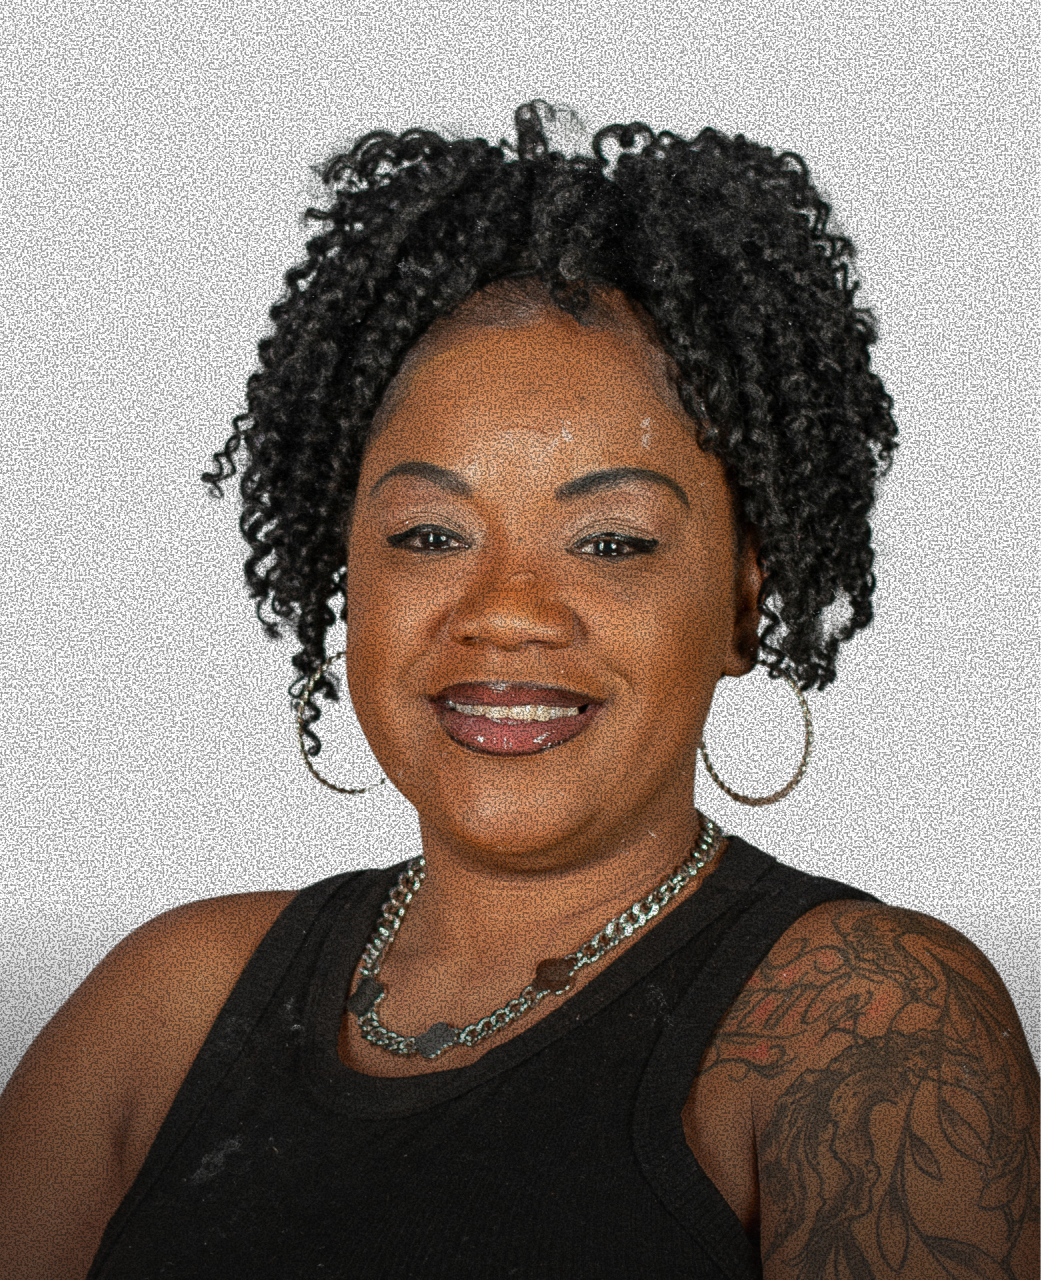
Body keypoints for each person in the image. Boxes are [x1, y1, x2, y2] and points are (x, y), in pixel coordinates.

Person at [1, 100, 1038, 1280]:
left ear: (746, 603)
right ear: (344, 570)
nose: (504, 608)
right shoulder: (170, 1003)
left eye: (611, 542)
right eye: (431, 533)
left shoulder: (869, 1023)